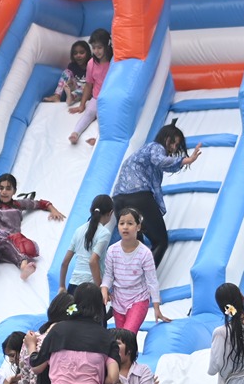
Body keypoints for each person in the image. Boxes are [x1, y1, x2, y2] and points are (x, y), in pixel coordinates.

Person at [111, 123, 203, 267]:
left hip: (118, 201)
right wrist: (187, 160)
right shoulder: (156, 147)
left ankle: (130, 276)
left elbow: (165, 165)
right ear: (165, 138)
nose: (173, 148)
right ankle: (142, 277)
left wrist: (181, 163)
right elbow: (161, 161)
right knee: (160, 241)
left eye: (176, 145)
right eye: (173, 143)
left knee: (137, 247)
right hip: (137, 196)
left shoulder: (143, 152)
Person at [0, 173, 65, 282]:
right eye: (1, 188)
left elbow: (40, 203)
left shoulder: (18, 204)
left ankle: (24, 268)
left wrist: (53, 210)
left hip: (10, 241)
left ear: (14, 191)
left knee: (21, 243)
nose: (4, 192)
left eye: (8, 188)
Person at [103, 209, 169, 333]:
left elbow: (152, 281)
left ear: (138, 227)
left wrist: (156, 308)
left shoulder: (145, 253)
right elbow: (108, 275)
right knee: (122, 339)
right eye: (122, 223)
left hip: (138, 299)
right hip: (118, 302)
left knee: (127, 334)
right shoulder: (112, 250)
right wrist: (104, 288)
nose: (125, 227)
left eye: (130, 223)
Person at [59, 194, 115, 295]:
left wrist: (62, 286)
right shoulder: (104, 233)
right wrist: (100, 288)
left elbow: (64, 262)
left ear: (91, 210)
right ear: (110, 213)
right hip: (90, 287)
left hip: (73, 285)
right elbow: (93, 261)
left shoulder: (78, 230)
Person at [67, 28, 112, 146]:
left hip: (109, 99)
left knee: (103, 117)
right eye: (94, 47)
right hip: (96, 97)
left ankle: (98, 139)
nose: (96, 51)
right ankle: (75, 133)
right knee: (89, 113)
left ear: (107, 45)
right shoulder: (91, 63)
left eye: (99, 47)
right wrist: (82, 105)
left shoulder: (113, 63)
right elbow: (88, 85)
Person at [42, 39, 92, 106]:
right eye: (75, 53)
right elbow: (69, 79)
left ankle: (72, 97)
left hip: (88, 91)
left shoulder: (92, 65)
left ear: (88, 53)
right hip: (76, 88)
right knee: (67, 72)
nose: (78, 55)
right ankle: (57, 95)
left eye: (82, 52)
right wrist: (69, 83)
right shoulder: (73, 66)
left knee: (84, 88)